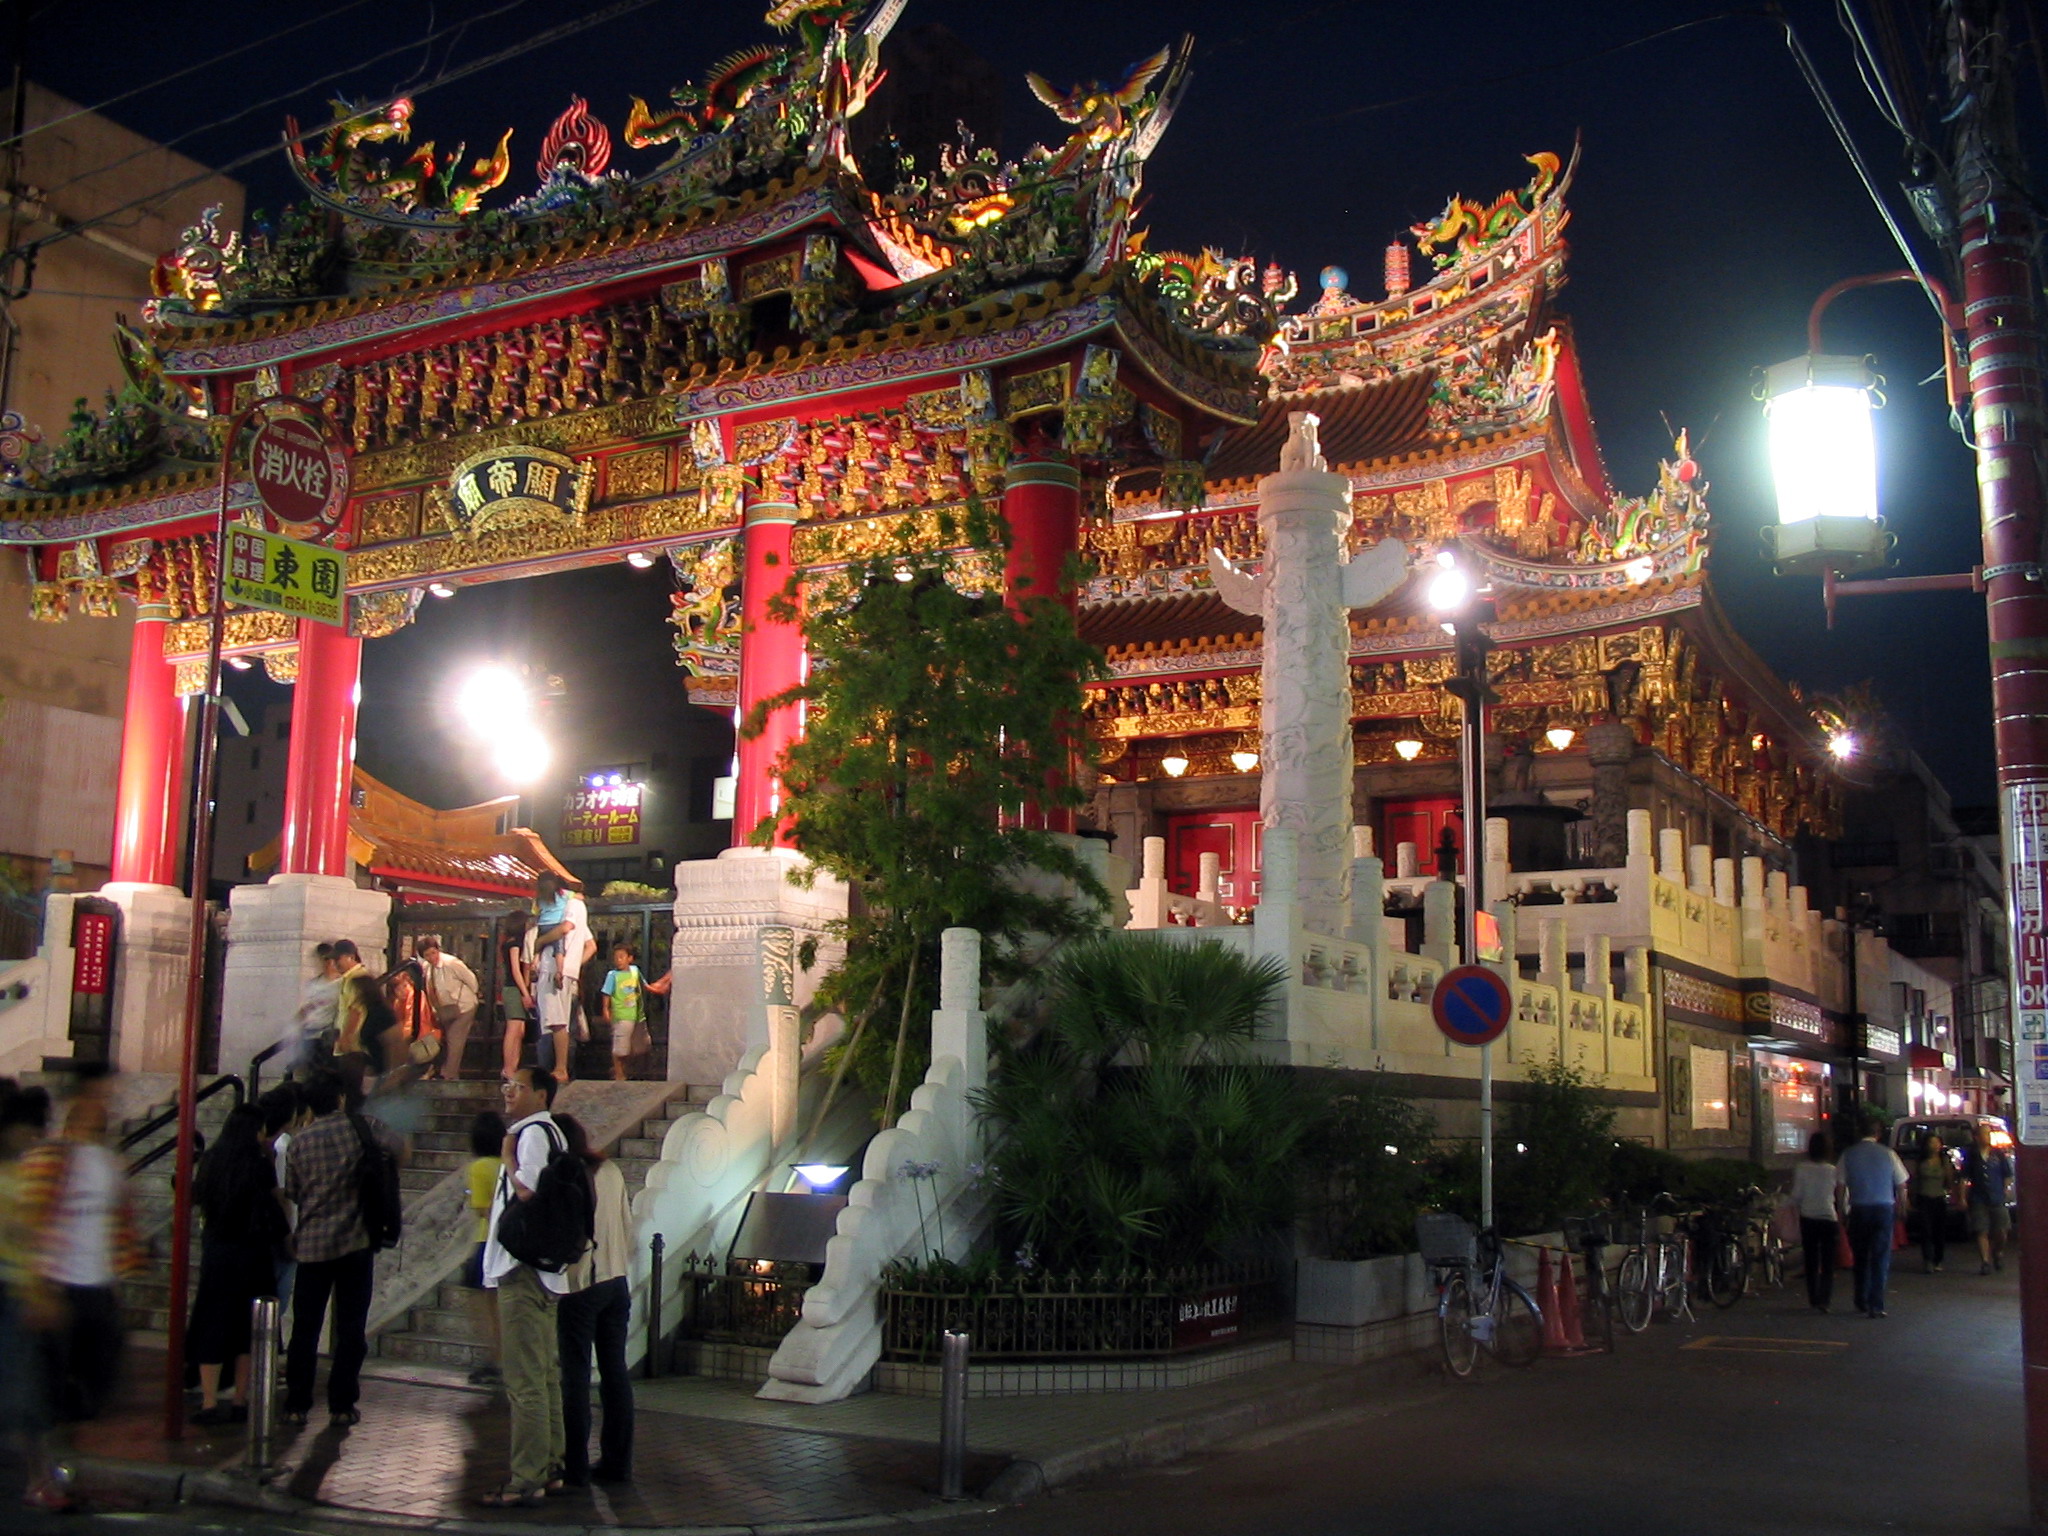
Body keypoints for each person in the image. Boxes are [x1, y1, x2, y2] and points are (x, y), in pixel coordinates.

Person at [16, 1064, 144, 1510]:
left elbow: (117, 1227)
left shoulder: (110, 1162)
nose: (105, 1105)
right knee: (47, 1390)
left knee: (95, 1386)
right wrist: (39, 1286)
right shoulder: (49, 1158)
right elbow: (29, 1224)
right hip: (58, 1286)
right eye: (98, 1095)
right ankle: (42, 1475)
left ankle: (59, 1465)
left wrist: (117, 1278)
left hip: (97, 1287)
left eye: (109, 1096)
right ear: (77, 1102)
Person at [282, 1067, 402, 1428]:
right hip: (356, 1242)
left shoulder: (299, 1142)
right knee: (351, 1328)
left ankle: (297, 1403)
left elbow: (294, 1193)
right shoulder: (365, 1128)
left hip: (313, 1247)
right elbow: (398, 1152)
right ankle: (342, 1404)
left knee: (305, 1328)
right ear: (340, 1098)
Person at [479, 1068, 572, 1508]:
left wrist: (509, 1158)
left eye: (516, 1087)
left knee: (525, 1379)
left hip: (523, 1269)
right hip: (544, 1269)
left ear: (540, 1093)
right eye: (506, 1087)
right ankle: (551, 1464)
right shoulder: (552, 1135)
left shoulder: (533, 1134)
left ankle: (526, 1475)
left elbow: (527, 1191)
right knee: (545, 1374)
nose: (508, 1093)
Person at [186, 1105, 287, 1425]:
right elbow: (275, 1204)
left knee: (213, 1324)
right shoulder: (258, 1163)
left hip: (218, 1252)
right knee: (248, 1329)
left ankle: (209, 1401)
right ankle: (241, 1400)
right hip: (253, 1252)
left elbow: (198, 1197)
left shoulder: (212, 1161)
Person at [554, 1113, 633, 1486]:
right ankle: (617, 1462)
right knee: (615, 1373)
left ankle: (575, 1463)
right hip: (616, 1281)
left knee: (575, 1376)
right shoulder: (611, 1170)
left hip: (581, 1283)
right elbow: (627, 1224)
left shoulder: (566, 1174)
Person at [0, 1083, 55, 1507]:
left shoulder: (18, 1172)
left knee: (26, 1391)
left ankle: (39, 1478)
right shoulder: (11, 1176)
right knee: (24, 1391)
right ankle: (38, 1479)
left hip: (16, 1290)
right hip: (12, 1291)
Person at [1836, 1115, 1909, 1318]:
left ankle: (1861, 1299)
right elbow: (1902, 1184)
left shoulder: (1848, 1154)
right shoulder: (1889, 1154)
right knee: (1880, 1256)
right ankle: (1876, 1304)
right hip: (1884, 1209)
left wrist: (1841, 1211)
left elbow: (1840, 1186)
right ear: (1878, 1133)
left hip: (1859, 1209)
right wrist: (1902, 1207)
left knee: (1860, 1256)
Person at [462, 1110, 506, 1387]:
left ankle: (496, 1359)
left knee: (487, 1309)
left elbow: (480, 1207)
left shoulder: (478, 1168)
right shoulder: (506, 1164)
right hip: (506, 1244)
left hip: (485, 1241)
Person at [258, 1083, 308, 1307]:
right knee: (278, 1298)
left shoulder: (264, 1145)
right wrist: (290, 1237)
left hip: (268, 1233)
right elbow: (282, 1195)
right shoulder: (282, 1146)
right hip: (280, 1234)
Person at [1791, 1130, 1839, 1313]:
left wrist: (1787, 1204)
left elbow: (1797, 1195)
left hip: (1808, 1217)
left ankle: (1813, 1297)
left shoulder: (1802, 1168)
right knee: (1828, 1262)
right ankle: (1825, 1300)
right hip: (1828, 1217)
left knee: (1811, 1259)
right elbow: (1841, 1194)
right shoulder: (1833, 1170)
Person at [420, 936, 480, 1082]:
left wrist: (471, 993)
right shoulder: (427, 967)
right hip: (446, 1009)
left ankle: (449, 1075)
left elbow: (471, 979)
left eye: (433, 953)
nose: (431, 957)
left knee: (455, 1039)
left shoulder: (451, 963)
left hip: (463, 1006)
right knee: (446, 1040)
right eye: (427, 955)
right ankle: (445, 1072)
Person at [532, 877, 574, 1082]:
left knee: (538, 946)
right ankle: (560, 969)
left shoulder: (540, 899)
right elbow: (576, 896)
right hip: (556, 926)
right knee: (559, 950)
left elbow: (535, 913)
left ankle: (534, 959)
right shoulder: (564, 896)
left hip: (543, 926)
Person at [1964, 1124, 2015, 1275]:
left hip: (1997, 1197)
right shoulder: (1971, 1155)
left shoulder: (1998, 1154)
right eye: (1984, 1134)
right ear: (1977, 1137)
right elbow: (1964, 1177)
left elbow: (2007, 1174)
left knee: (2002, 1230)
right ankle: (1985, 1261)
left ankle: (1998, 1252)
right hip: (1978, 1197)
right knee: (1981, 1229)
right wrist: (1962, 1196)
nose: (1987, 1137)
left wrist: (2005, 1189)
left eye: (1988, 1134)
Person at [600, 944, 645, 1083]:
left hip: (637, 1014)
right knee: (620, 1048)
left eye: (621, 957)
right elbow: (606, 993)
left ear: (630, 958)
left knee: (639, 1047)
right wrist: (606, 1009)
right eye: (616, 958)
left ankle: (626, 1069)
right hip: (621, 1015)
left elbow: (642, 985)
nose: (618, 960)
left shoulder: (635, 971)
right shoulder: (612, 975)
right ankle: (619, 1073)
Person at [329, 940, 378, 1057]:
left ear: (350, 957)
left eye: (337, 959)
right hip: (350, 1042)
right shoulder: (348, 977)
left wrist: (346, 1037)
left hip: (355, 1045)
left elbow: (356, 1011)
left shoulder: (357, 977)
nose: (335, 964)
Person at [1913, 1132, 1953, 1274]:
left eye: (1937, 1143)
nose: (1935, 1146)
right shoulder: (1921, 1161)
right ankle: (1928, 1260)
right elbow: (1915, 1180)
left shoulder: (1944, 1160)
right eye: (1932, 1142)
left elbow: (1949, 1180)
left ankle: (1938, 1259)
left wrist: (1950, 1193)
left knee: (1939, 1231)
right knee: (1925, 1230)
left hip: (1939, 1198)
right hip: (1924, 1197)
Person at [500, 926, 535, 1084]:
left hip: (516, 988)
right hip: (514, 989)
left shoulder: (513, 942)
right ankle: (508, 1068)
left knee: (519, 1030)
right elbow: (516, 970)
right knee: (513, 1029)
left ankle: (513, 1067)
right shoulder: (514, 944)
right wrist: (525, 992)